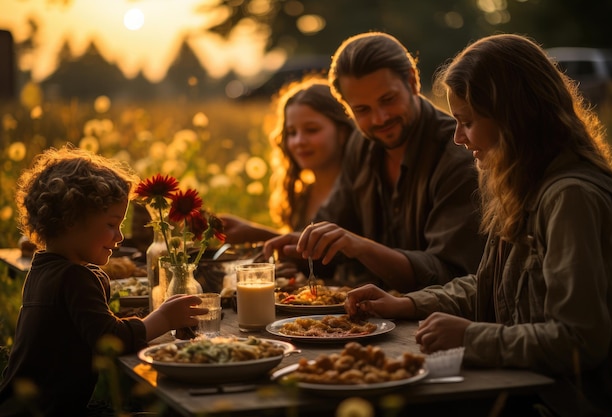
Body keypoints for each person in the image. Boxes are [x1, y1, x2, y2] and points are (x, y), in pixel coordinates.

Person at [344, 33, 612, 416]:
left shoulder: (570, 198)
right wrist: (406, 303)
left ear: (515, 117)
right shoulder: (522, 185)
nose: (459, 137)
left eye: (468, 122)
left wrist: (471, 336)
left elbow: (577, 340)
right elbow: (490, 285)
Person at [264, 32, 485, 292]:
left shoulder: (460, 156)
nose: (379, 119)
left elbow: (451, 275)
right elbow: (334, 226)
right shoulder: (362, 144)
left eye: (387, 100)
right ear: (346, 107)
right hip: (366, 316)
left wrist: (359, 246)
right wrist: (299, 249)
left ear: (412, 81)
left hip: (435, 323)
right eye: (362, 110)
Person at [0, 145, 208, 416]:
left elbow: (89, 324)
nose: (119, 237)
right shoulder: (73, 277)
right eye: (112, 224)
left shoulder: (42, 268)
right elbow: (109, 338)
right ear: (71, 220)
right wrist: (164, 320)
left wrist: (142, 321)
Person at [221, 77, 354, 243]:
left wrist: (257, 235)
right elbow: (305, 261)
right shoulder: (302, 194)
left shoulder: (356, 193)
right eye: (292, 133)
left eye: (311, 130)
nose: (299, 141)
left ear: (342, 133)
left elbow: (336, 259)